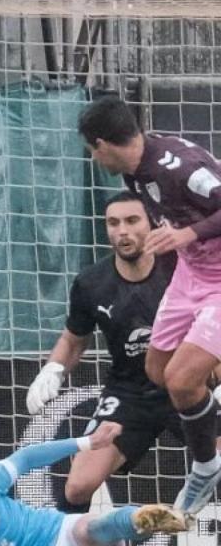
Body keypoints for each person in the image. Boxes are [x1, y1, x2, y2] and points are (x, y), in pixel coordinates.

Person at [79, 95, 221, 516]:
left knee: (180, 380)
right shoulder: (136, 173)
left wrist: (186, 235)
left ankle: (206, 467)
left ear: (103, 143)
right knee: (157, 370)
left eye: (91, 149)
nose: (92, 157)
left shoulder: (178, 168)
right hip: (190, 275)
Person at [26, 191, 178, 513]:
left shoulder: (181, 268)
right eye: (113, 223)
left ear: (152, 223)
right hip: (129, 394)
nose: (122, 231)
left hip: (185, 384)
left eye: (132, 220)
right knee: (78, 486)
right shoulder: (91, 283)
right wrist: (52, 369)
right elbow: (73, 340)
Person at [0, 423, 187, 546]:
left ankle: (141, 519)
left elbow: (26, 457)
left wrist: (87, 443)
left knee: (87, 529)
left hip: (54, 534)